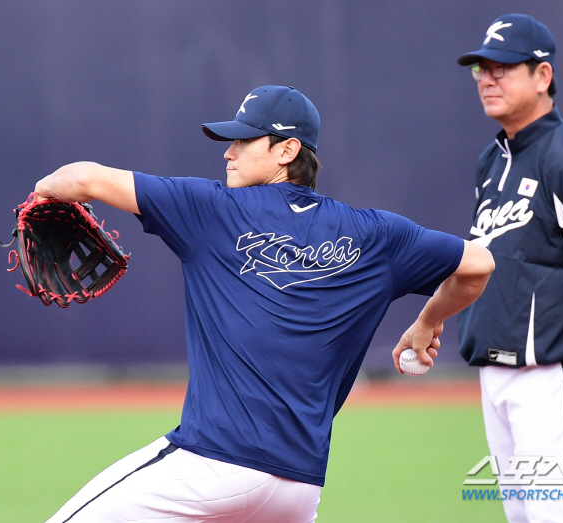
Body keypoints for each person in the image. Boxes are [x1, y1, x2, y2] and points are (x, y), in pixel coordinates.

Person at [36, 85, 494, 523]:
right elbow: (479, 264)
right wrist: (429, 319)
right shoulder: (378, 235)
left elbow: (82, 178)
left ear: (287, 150)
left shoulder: (210, 210)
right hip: (299, 487)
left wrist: (41, 193)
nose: (227, 152)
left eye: (242, 139)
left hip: (212, 465)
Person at [448, 13, 563, 523]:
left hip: (552, 372)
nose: (488, 78)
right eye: (481, 68)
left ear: (542, 76)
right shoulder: (492, 160)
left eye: (503, 67)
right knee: (523, 517)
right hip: (496, 366)